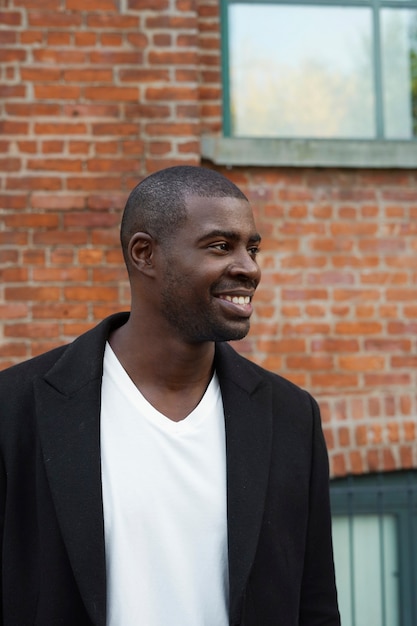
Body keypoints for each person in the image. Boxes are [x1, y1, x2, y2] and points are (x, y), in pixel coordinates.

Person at [0, 165, 340, 626]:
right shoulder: (16, 409)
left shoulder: (290, 416)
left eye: (252, 247)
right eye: (221, 246)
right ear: (145, 254)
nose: (249, 268)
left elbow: (314, 604)